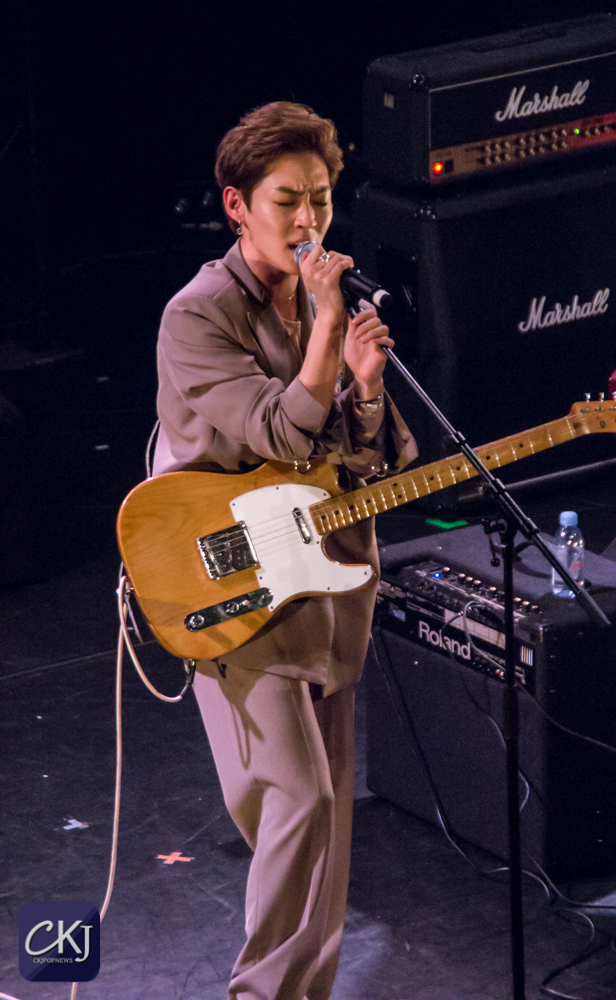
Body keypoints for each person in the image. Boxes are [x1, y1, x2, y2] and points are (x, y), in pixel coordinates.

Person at [152, 101, 417, 1000]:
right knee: (296, 803)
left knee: (327, 822)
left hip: (322, 580)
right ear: (237, 205)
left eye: (322, 198)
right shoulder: (197, 316)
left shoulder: (322, 305)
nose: (309, 221)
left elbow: (370, 455)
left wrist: (367, 391)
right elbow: (279, 430)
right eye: (287, 201)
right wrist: (327, 337)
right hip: (227, 584)